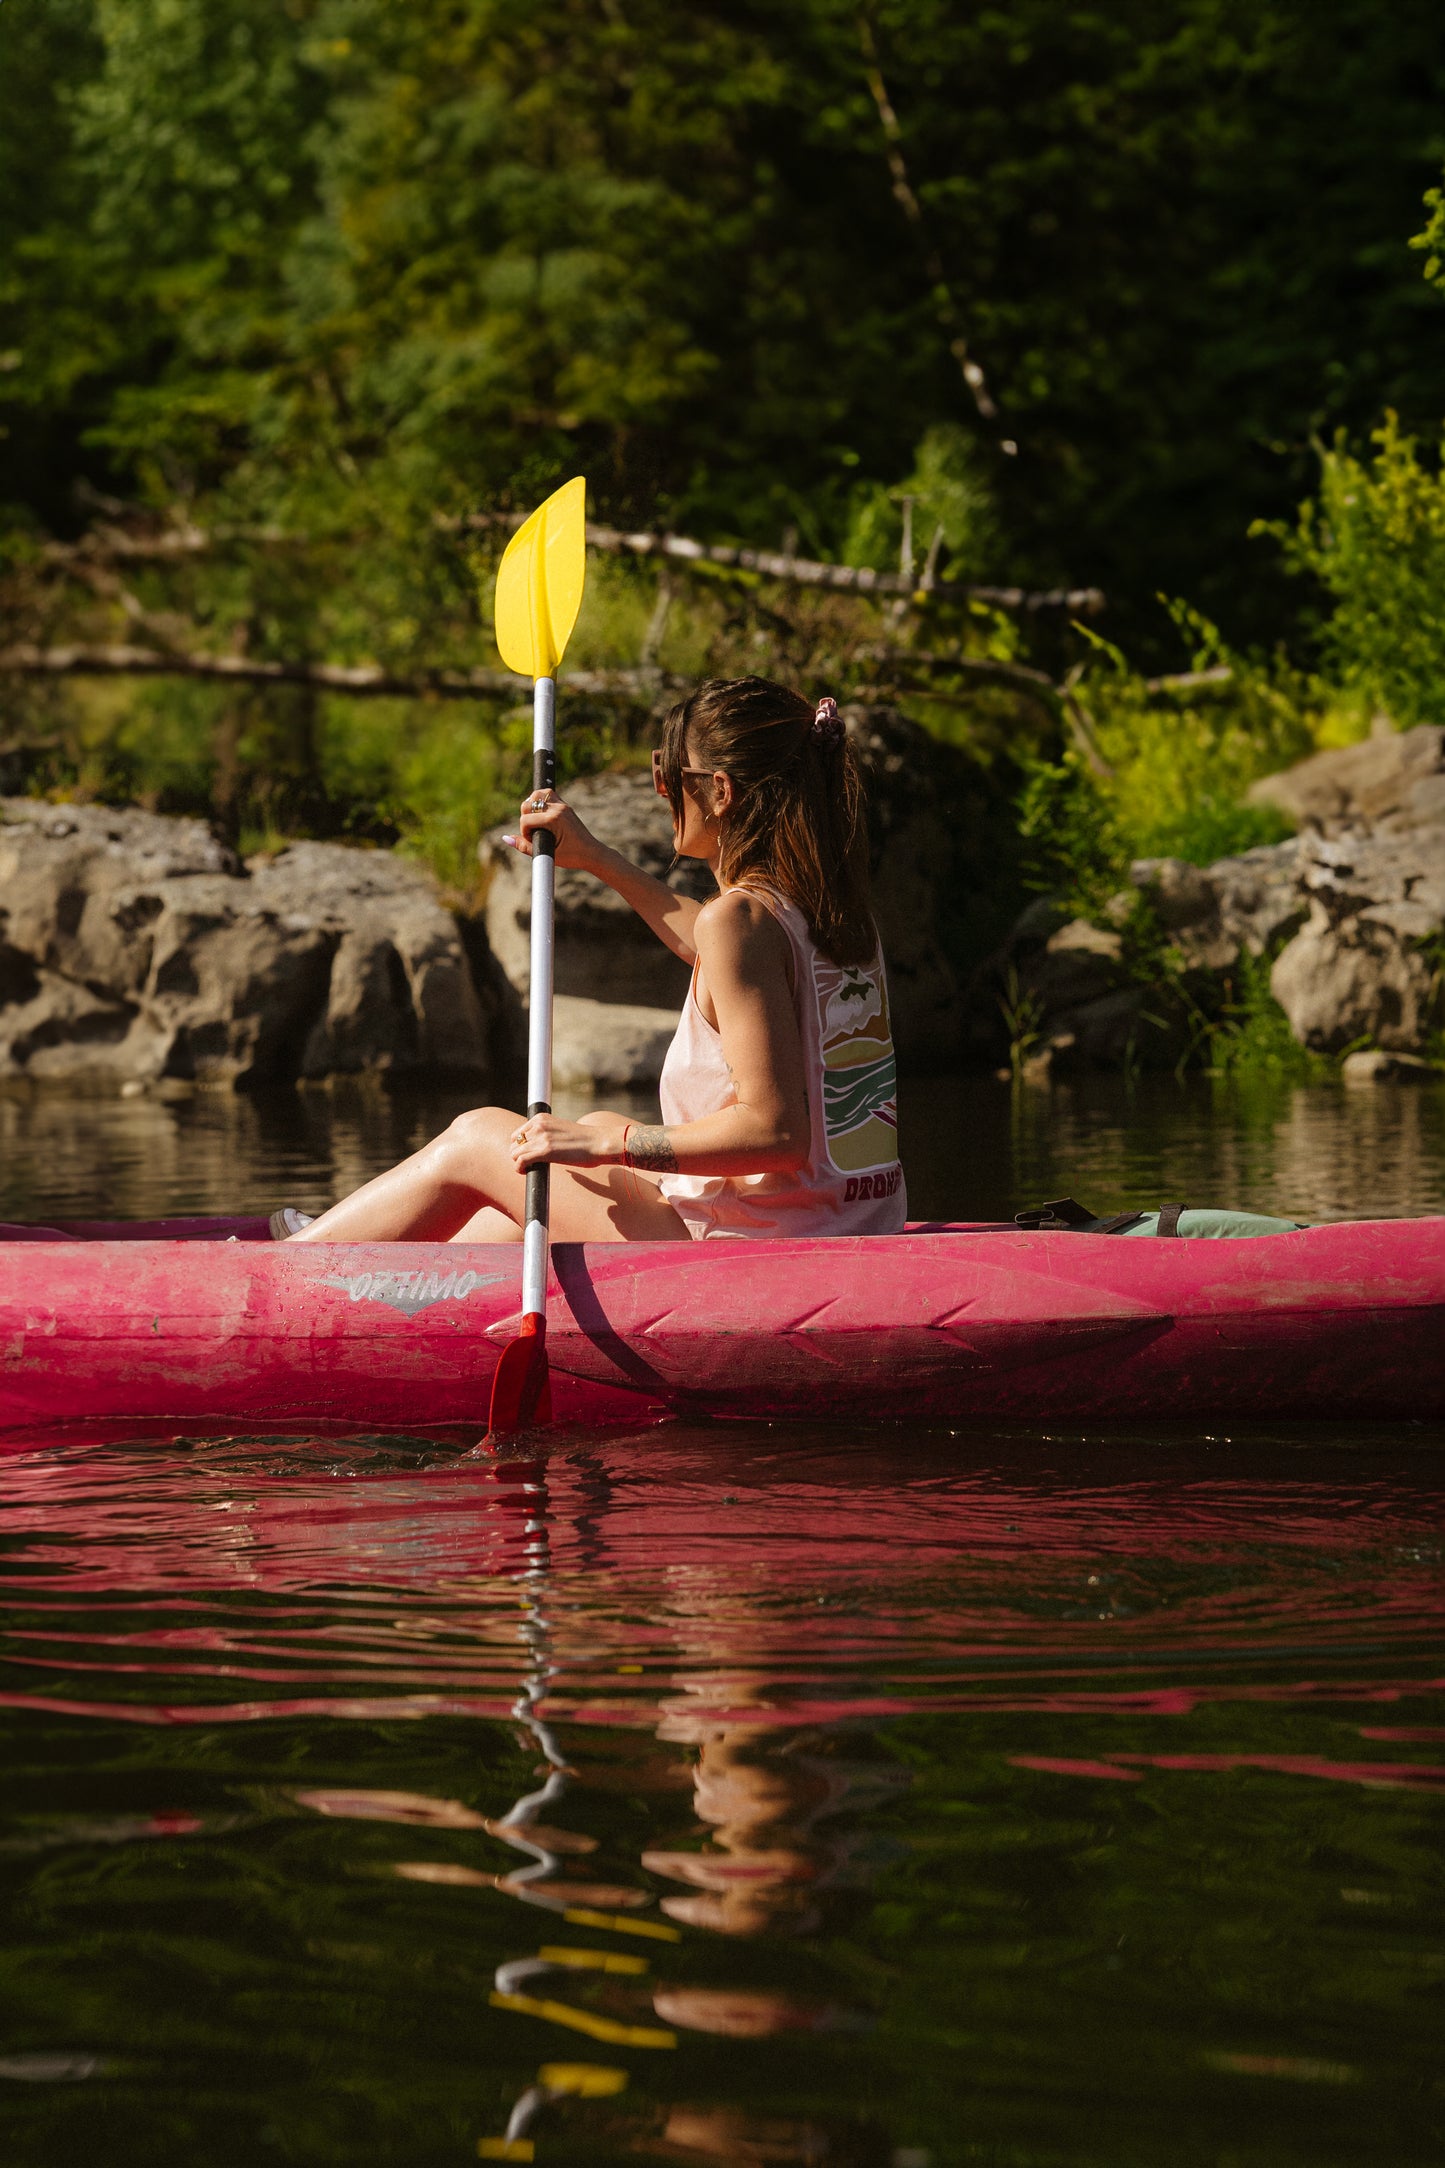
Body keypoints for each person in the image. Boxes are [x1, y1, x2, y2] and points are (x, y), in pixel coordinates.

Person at [287, 676, 906, 1245]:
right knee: (537, 1179)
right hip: (847, 1221)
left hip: (760, 1244)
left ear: (718, 790)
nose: (661, 788)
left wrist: (610, 1143)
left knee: (483, 1139)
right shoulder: (831, 914)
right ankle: (366, 1257)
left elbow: (776, 1134)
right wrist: (597, 857)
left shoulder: (739, 924)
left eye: (669, 773)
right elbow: (714, 949)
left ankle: (287, 1271)